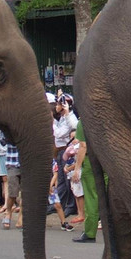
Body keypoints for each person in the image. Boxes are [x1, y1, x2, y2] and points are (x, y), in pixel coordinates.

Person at [49, 93, 79, 226]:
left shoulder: (69, 118)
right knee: (61, 180)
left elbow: (59, 133)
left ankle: (71, 206)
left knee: (68, 182)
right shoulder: (61, 118)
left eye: (59, 104)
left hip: (68, 151)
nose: (56, 106)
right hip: (60, 151)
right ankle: (59, 203)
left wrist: (52, 121)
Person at [61, 133, 86, 229]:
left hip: (78, 171)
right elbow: (65, 158)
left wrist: (71, 168)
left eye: (75, 137)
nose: (73, 139)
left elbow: (79, 161)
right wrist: (66, 167)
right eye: (71, 138)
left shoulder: (80, 147)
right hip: (71, 172)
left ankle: (82, 214)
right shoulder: (71, 148)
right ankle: (79, 212)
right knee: (75, 192)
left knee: (79, 193)